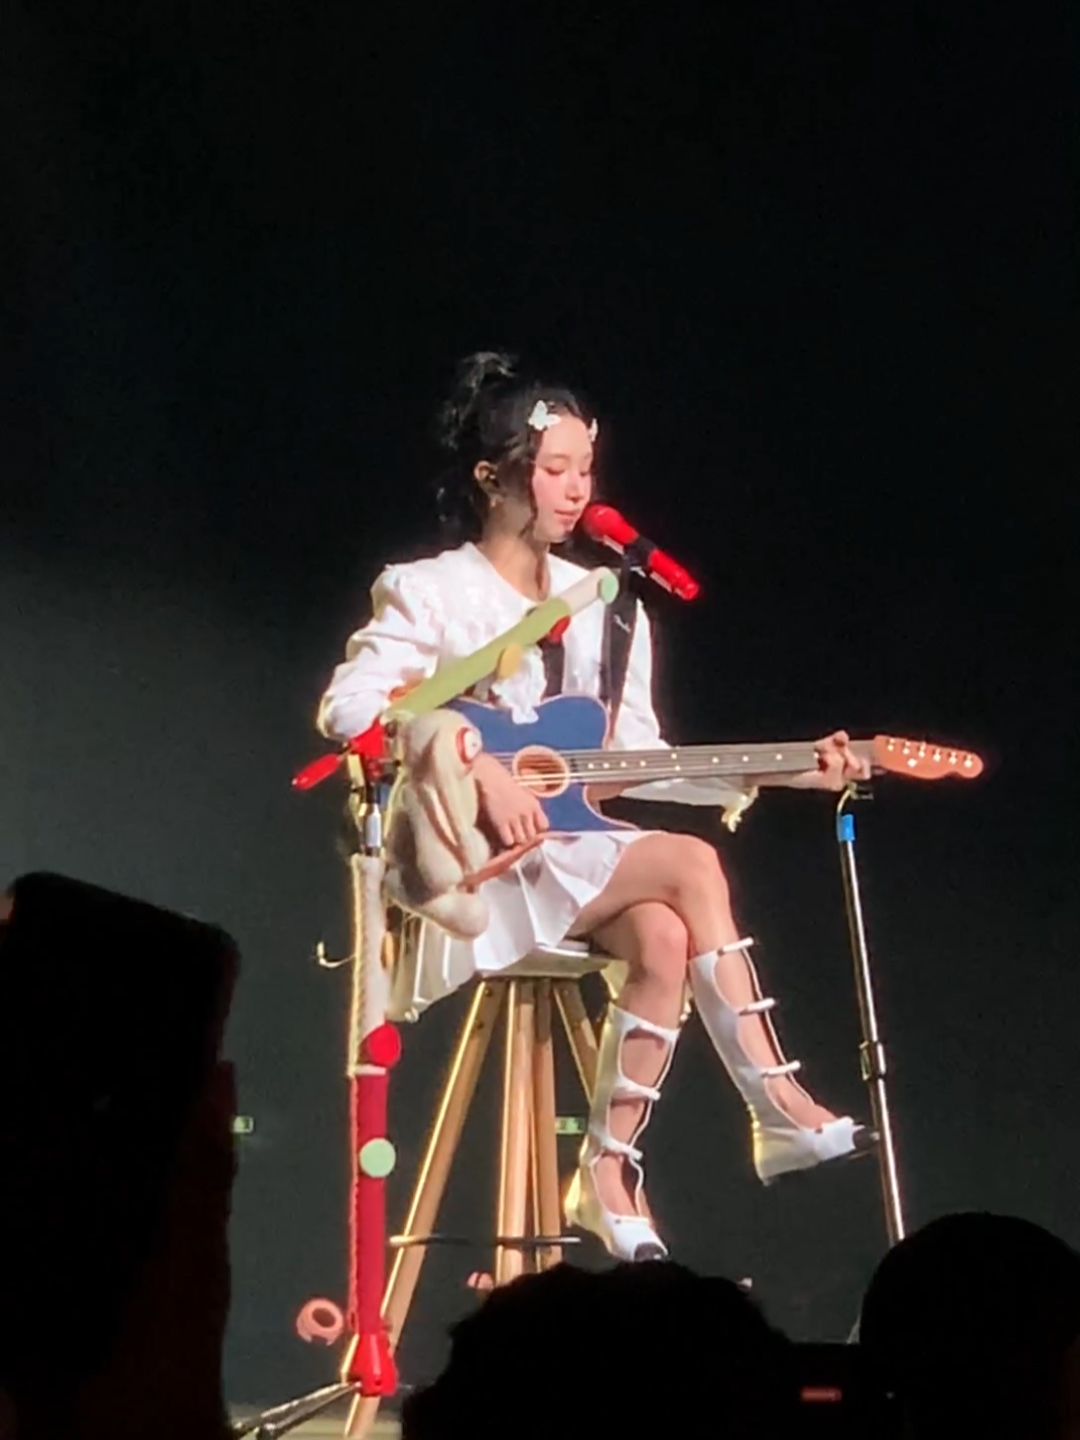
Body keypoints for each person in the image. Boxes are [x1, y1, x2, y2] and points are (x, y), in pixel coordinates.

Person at [318, 351, 874, 1262]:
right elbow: (351, 710)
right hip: (473, 869)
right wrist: (475, 762)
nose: (578, 490)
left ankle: (607, 1174)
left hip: (567, 850)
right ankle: (775, 1104)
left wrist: (784, 772)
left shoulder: (611, 609)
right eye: (556, 469)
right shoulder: (429, 589)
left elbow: (634, 762)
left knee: (663, 933)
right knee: (692, 864)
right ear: (494, 476)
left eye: (585, 469)